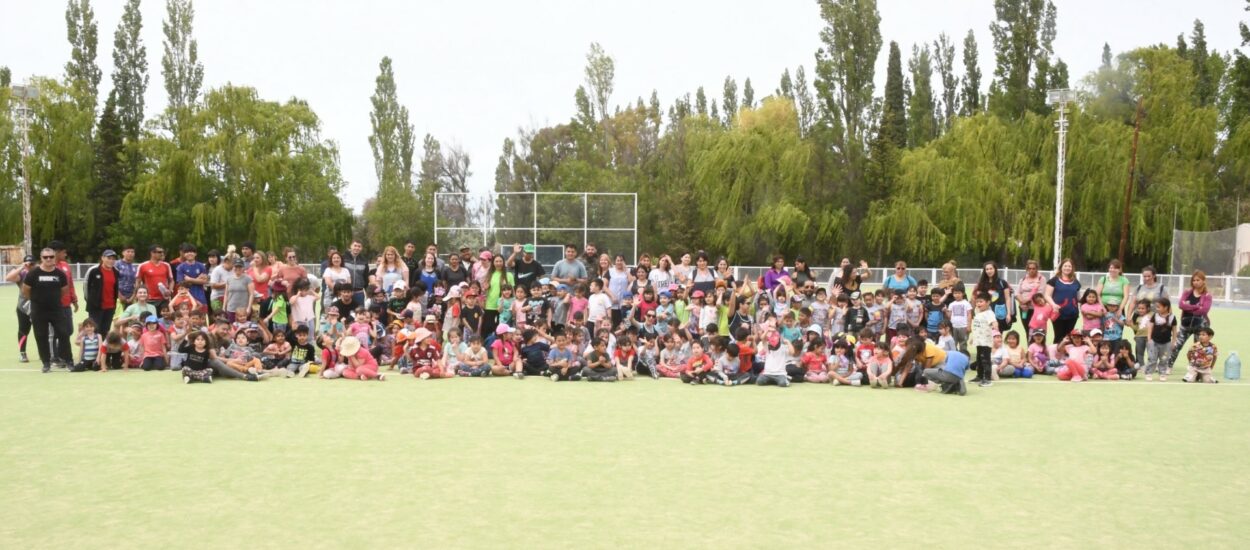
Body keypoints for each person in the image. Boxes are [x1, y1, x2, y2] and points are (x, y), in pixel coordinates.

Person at [21, 249, 72, 372]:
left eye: (51, 257)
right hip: (38, 311)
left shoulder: (60, 274)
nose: (48, 259)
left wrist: (53, 299)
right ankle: (46, 363)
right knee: (41, 336)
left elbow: (64, 290)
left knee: (63, 334)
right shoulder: (33, 273)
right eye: (45, 257)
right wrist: (36, 300)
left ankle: (69, 361)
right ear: (41, 258)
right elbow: (26, 290)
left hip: (56, 310)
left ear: (54, 257)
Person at [1166, 270, 1213, 372]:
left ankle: (1197, 368)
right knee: (1177, 345)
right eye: (1193, 280)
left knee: (1199, 348)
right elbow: (1181, 305)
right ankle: (1168, 366)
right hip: (1185, 324)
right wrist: (1196, 306)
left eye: (1198, 280)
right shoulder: (1187, 293)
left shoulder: (1207, 296)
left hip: (1201, 326)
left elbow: (1204, 310)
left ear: (1203, 281)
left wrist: (1188, 307)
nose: (1195, 282)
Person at [82, 249, 121, 337]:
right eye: (109, 258)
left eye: (113, 259)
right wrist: (91, 302)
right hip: (96, 307)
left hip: (110, 307)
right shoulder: (93, 270)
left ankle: (102, 350)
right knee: (94, 331)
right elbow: (86, 287)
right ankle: (94, 350)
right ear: (102, 258)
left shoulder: (116, 272)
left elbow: (115, 288)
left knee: (105, 331)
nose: (111, 261)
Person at [6, 255, 36, 363]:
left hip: (38, 307)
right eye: (28, 264)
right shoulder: (22, 274)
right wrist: (22, 267)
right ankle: (23, 353)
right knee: (23, 331)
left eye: (32, 264)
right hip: (23, 307)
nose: (30, 266)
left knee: (42, 331)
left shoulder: (39, 273)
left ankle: (45, 354)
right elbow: (8, 278)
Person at [1043, 258, 1081, 343]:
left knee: (1068, 337)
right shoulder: (1054, 280)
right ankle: (1056, 355)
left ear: (1072, 268)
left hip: (1072, 314)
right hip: (1058, 314)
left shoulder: (1076, 282)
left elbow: (1078, 298)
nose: (1067, 268)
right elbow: (1047, 295)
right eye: (1065, 266)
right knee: (1058, 336)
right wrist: (1053, 305)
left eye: (1069, 266)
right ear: (1061, 267)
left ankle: (1066, 355)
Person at [974, 262, 1014, 331]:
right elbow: (979, 299)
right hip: (985, 314)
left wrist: (1008, 314)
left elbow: (1007, 299)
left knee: (998, 335)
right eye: (987, 269)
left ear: (995, 269)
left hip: (1000, 313)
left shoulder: (1002, 283)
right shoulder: (981, 284)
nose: (989, 271)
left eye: (991, 269)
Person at [137, 244, 174, 311]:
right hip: (149, 299)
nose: (162, 254)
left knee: (163, 320)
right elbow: (138, 282)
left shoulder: (166, 265)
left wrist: (170, 290)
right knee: (150, 319)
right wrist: (140, 296)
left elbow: (171, 280)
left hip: (164, 298)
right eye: (159, 252)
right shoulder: (143, 266)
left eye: (163, 252)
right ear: (152, 253)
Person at [221, 256, 255, 323]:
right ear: (233, 267)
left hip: (243, 309)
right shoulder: (229, 279)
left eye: (240, 267)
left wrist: (249, 307)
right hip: (231, 308)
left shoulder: (248, 279)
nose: (238, 268)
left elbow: (251, 294)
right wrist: (224, 307)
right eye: (236, 267)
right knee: (231, 326)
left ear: (243, 268)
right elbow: (226, 294)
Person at [342, 240, 372, 306]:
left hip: (359, 292)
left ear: (361, 248)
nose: (357, 248)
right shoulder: (343, 258)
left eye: (359, 246)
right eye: (355, 246)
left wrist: (368, 293)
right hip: (345, 292)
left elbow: (365, 278)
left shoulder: (364, 261)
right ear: (351, 246)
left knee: (360, 313)